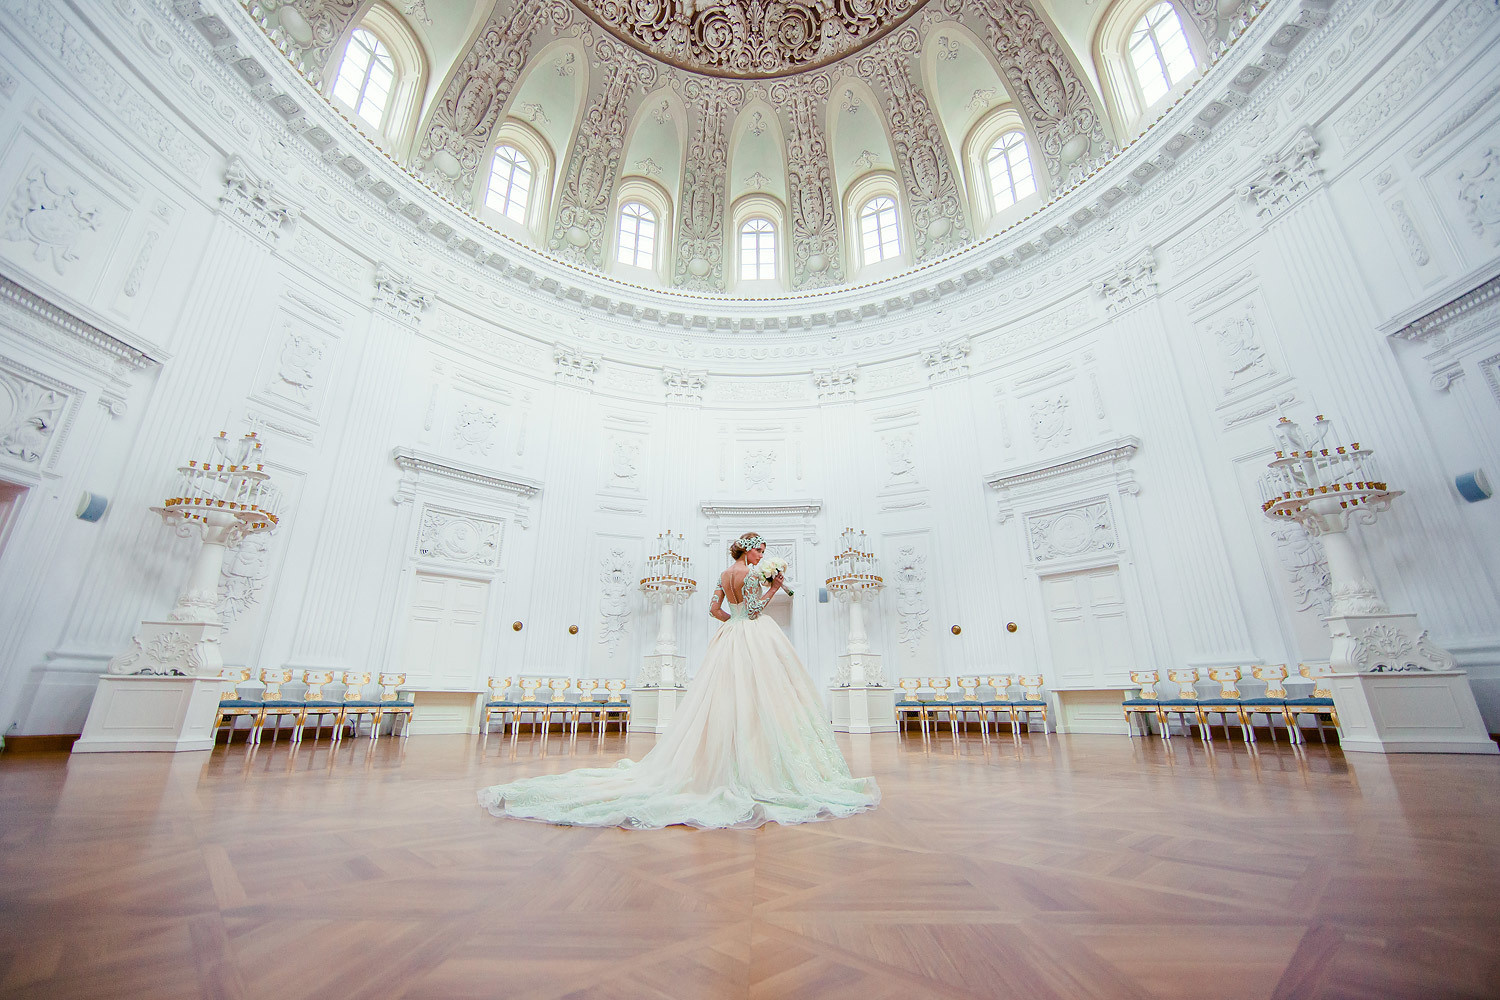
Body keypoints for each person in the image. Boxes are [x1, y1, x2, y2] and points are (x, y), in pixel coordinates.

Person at [477, 532, 880, 829]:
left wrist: (735, 618)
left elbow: (715, 611)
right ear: (749, 549)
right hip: (755, 636)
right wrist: (773, 586)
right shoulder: (756, 575)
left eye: (763, 551)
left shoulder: (724, 575)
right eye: (760, 548)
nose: (763, 553)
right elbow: (756, 610)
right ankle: (762, 766)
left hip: (729, 638)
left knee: (724, 697)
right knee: (763, 695)